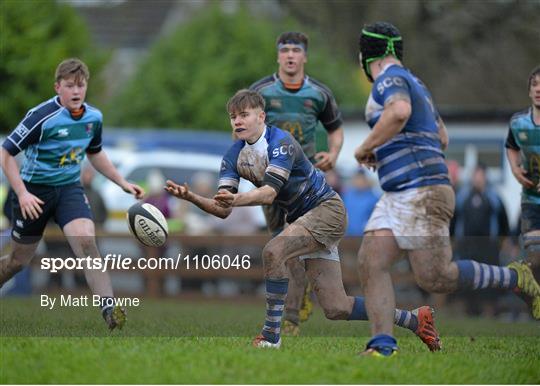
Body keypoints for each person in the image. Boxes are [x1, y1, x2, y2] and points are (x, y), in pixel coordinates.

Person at [166, 89, 442, 351]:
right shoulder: (233, 156)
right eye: (233, 116)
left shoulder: (281, 142)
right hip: (305, 219)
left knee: (273, 251)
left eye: (244, 114)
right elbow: (223, 208)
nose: (237, 121)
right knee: (336, 307)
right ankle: (415, 319)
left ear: (261, 116)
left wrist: (236, 200)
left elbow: (269, 193)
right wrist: (191, 197)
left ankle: (271, 337)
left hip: (327, 211)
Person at [354, 22, 540, 357]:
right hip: (401, 192)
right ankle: (382, 345)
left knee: (436, 277)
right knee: (371, 259)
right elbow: (441, 137)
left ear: (367, 56)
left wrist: (365, 146)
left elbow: (399, 112)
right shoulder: (418, 84)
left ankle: (514, 278)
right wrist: (393, 151)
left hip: (421, 191)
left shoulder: (388, 78)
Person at [0, 58, 144, 330]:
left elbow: (95, 153)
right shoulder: (41, 117)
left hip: (69, 189)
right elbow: (5, 153)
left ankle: (109, 310)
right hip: (34, 192)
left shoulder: (94, 118)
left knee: (87, 243)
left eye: (81, 85)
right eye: (69, 86)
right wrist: (22, 194)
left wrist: (122, 182)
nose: (76, 91)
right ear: (58, 88)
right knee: (18, 261)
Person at [250, 32, 345, 334]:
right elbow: (242, 130)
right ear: (277, 56)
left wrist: (333, 153)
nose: (290, 55)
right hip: (273, 183)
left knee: (291, 246)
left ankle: (290, 317)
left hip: (306, 182)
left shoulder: (319, 93)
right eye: (285, 50)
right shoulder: (261, 91)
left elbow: (335, 130)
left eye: (296, 50)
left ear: (305, 56)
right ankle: (297, 298)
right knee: (282, 246)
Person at [454, 163, 510, 316]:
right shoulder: (462, 196)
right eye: (475, 175)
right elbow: (453, 220)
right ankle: (467, 310)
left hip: (488, 246)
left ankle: (488, 310)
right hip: (466, 246)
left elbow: (504, 222)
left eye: (480, 175)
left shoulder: (494, 197)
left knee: (488, 277)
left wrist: (503, 241)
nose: (478, 178)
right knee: (467, 276)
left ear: (485, 177)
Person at [506, 65, 540, 311]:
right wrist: (516, 170)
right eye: (535, 85)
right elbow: (510, 146)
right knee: (534, 257)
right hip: (531, 200)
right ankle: (528, 292)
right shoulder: (518, 123)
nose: (539, 89)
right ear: (529, 91)